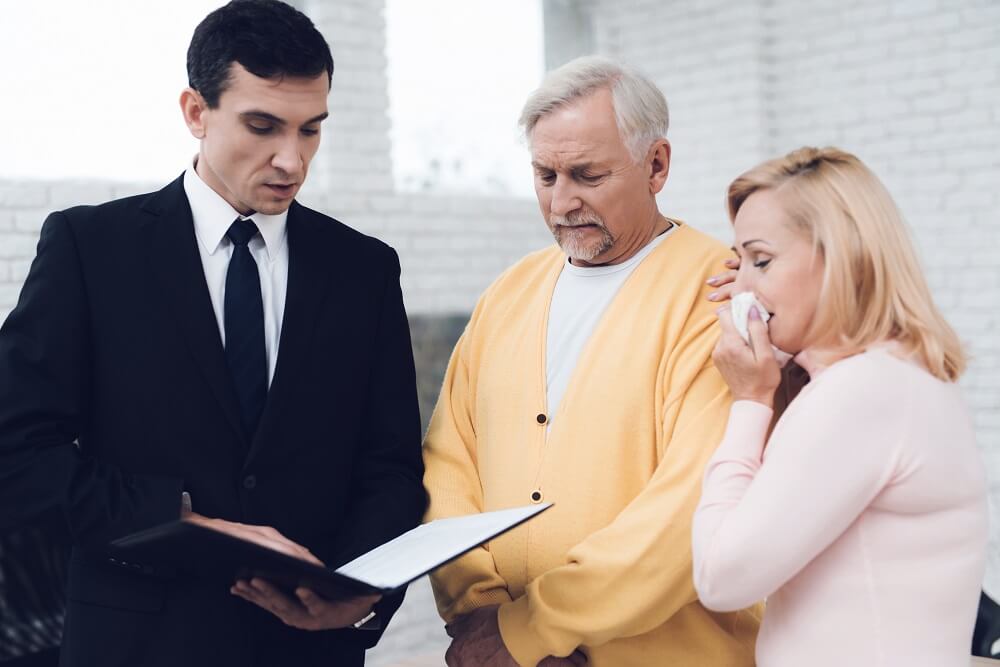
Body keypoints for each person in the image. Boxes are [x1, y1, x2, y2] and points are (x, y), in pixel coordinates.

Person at [0, 1, 425, 665]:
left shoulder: (364, 269)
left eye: (311, 130)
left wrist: (362, 593)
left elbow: (392, 467)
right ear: (196, 112)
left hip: (308, 650)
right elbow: (16, 448)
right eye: (263, 126)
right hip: (136, 644)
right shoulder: (91, 248)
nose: (292, 160)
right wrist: (178, 519)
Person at [422, 56, 760, 667]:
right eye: (545, 175)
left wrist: (535, 628)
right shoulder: (508, 292)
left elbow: (690, 507)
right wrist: (480, 610)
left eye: (587, 175)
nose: (561, 202)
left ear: (656, 165)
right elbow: (449, 462)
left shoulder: (720, 294)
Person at [692, 146, 989, 666]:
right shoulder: (894, 376)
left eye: (761, 260)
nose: (740, 288)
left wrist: (750, 400)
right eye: (738, 263)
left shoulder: (862, 393)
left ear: (841, 257)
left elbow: (721, 578)